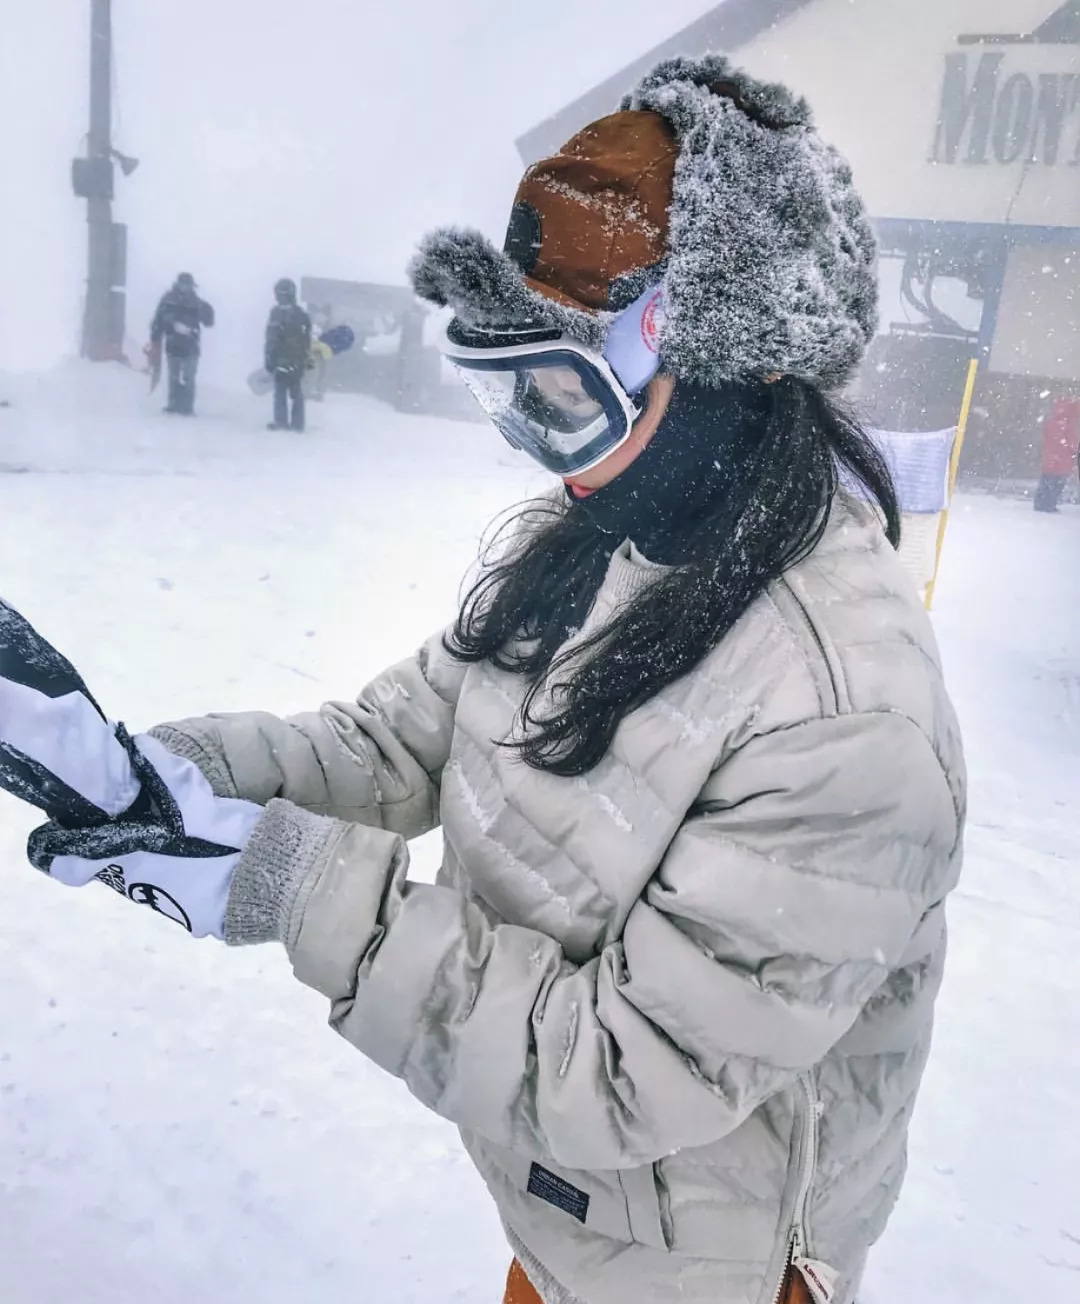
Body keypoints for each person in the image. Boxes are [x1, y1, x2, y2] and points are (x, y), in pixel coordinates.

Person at [0, 57, 964, 1304]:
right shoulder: (587, 552)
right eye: (509, 401)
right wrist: (152, 772)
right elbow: (395, 742)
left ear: (734, 364)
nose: (547, 462)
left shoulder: (846, 717)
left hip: (705, 1275)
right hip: (565, 1229)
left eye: (564, 400)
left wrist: (275, 876)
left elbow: (611, 1074)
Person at [149, 272, 215, 415]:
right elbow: (158, 320)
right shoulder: (167, 300)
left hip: (191, 346)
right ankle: (173, 404)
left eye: (188, 285)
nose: (185, 288)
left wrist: (207, 311)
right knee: (173, 375)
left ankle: (187, 406)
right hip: (173, 344)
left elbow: (209, 322)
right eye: (183, 285)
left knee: (189, 377)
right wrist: (155, 337)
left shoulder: (197, 302)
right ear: (178, 284)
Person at [264, 277, 311, 431]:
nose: (279, 298)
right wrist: (269, 357)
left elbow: (306, 339)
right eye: (278, 295)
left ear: (290, 295)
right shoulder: (275, 313)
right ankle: (281, 422)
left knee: (295, 392)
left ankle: (297, 425)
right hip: (279, 359)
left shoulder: (300, 315)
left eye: (282, 295)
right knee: (279, 392)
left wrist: (302, 358)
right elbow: (270, 336)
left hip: (294, 360)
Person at [1033, 392, 1080, 513]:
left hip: (1050, 459)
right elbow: (1071, 443)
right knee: (1057, 483)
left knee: (1047, 480)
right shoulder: (1067, 425)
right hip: (1062, 460)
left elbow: (1046, 438)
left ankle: (1041, 503)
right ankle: (1049, 504)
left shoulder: (1052, 422)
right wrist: (1074, 450)